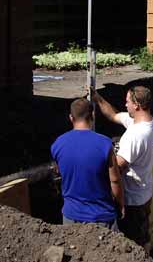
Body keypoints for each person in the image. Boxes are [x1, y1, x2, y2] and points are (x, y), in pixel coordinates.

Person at [92, 86, 153, 252]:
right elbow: (113, 115)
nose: (125, 104)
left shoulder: (135, 135)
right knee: (143, 235)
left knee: (135, 245)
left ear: (136, 105)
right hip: (144, 193)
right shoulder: (149, 122)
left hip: (132, 200)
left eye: (127, 101)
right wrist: (97, 98)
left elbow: (118, 167)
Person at [51, 98, 124, 229]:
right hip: (102, 216)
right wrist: (120, 205)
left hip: (70, 216)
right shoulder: (104, 144)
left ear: (71, 118)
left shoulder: (58, 144)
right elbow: (115, 181)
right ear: (93, 115)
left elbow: (60, 172)